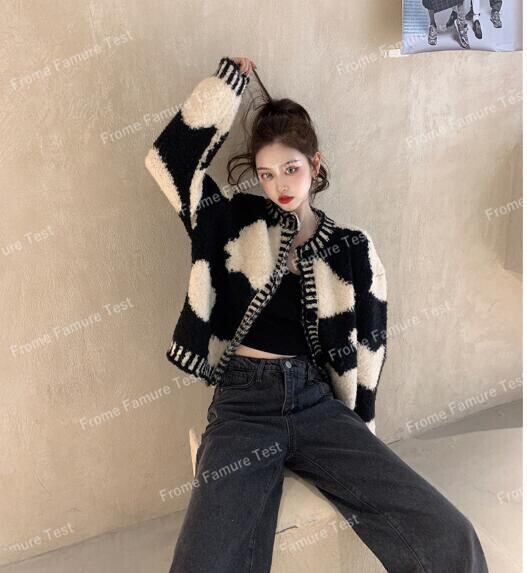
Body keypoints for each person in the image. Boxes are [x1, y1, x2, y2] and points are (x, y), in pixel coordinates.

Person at [145, 56, 489, 572]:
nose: (280, 184)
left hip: (317, 405)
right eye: (266, 174)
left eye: (291, 168)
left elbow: (370, 351)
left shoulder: (352, 248)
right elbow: (169, 161)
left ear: (315, 164)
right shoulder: (233, 220)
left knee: (449, 533)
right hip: (243, 406)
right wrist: (227, 85)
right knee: (203, 563)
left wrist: (361, 435)